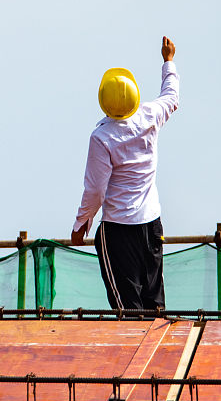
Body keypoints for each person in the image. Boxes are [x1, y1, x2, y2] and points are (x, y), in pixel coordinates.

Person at [70, 37, 179, 311]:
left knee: (127, 308)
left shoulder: (102, 137)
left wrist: (81, 222)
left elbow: (95, 189)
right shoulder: (150, 116)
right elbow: (171, 97)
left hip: (118, 229)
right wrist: (168, 61)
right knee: (155, 305)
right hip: (151, 223)